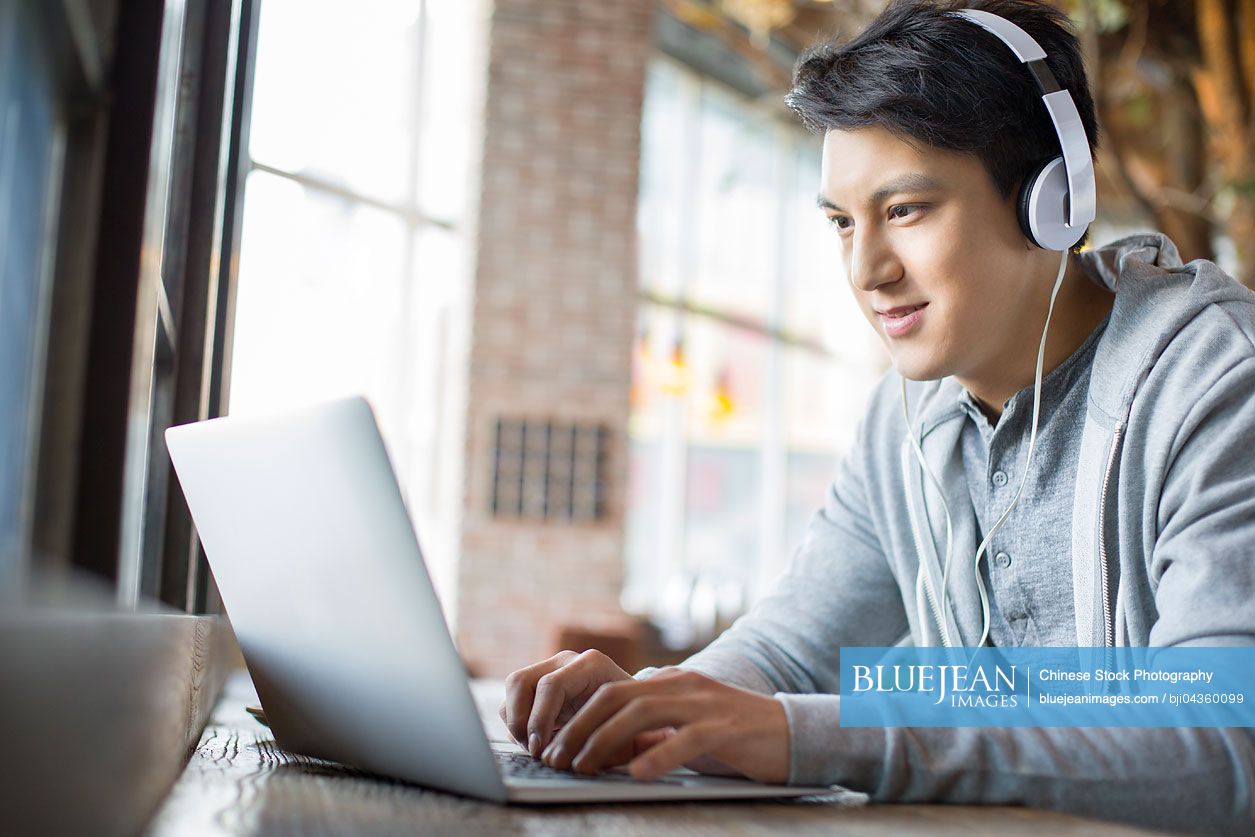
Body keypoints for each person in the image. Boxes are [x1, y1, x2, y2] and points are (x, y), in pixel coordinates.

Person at [498, 1, 1255, 832]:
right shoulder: (901, 424)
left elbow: (1220, 740)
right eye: (840, 222)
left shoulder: (1216, 381)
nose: (866, 269)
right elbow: (785, 651)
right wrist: (645, 709)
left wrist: (815, 732)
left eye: (905, 210)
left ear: (1051, 202)